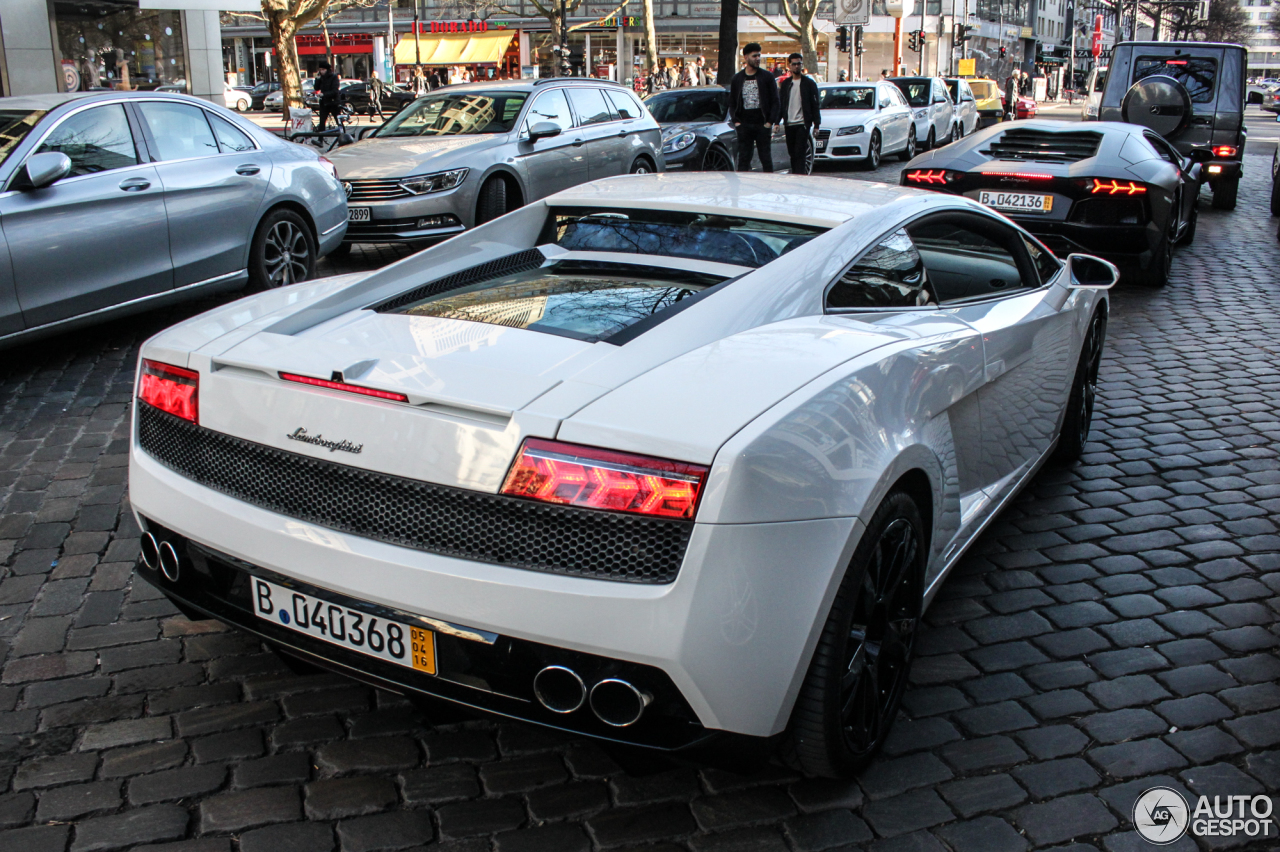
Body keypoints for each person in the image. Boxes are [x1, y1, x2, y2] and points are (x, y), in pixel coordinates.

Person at [728, 43, 780, 173]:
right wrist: (737, 122)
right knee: (744, 160)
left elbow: (775, 100)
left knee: (766, 159)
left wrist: (769, 122)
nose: (758, 58)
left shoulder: (767, 77)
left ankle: (768, 187)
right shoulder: (737, 78)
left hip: (762, 124)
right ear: (745, 57)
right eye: (754, 56)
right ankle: (741, 189)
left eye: (759, 55)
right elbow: (732, 102)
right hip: (744, 125)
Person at [778, 53, 820, 175]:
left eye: (799, 64)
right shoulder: (786, 84)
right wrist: (777, 121)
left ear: (802, 65)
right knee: (792, 153)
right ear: (789, 66)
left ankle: (800, 177)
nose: (797, 66)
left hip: (803, 123)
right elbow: (782, 104)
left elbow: (815, 104)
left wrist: (816, 124)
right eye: (794, 64)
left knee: (800, 152)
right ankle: (795, 175)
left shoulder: (809, 83)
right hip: (789, 123)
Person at [315, 61, 341, 131]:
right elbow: (316, 88)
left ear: (327, 70)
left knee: (338, 120)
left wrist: (324, 94)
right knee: (322, 122)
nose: (321, 71)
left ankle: (342, 135)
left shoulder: (333, 77)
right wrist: (317, 79)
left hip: (333, 102)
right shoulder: (321, 78)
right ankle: (320, 139)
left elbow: (335, 90)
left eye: (323, 70)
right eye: (320, 70)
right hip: (324, 102)